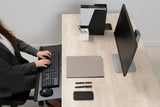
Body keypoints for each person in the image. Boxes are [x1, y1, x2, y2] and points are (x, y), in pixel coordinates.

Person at [0, 20, 52, 97]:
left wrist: (37, 53)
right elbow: (9, 70)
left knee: (48, 70)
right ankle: (52, 100)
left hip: (20, 69)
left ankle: (52, 98)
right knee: (47, 79)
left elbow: (18, 43)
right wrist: (35, 64)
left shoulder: (2, 31)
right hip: (8, 81)